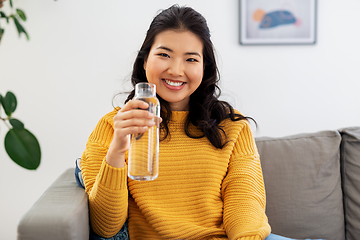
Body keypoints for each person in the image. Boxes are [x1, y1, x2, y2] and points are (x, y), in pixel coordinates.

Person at [79, 4, 324, 240]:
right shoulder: (113, 127)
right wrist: (118, 150)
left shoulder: (232, 126)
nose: (176, 70)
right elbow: (105, 227)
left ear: (205, 68)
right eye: (164, 55)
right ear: (145, 61)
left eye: (191, 59)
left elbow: (244, 203)